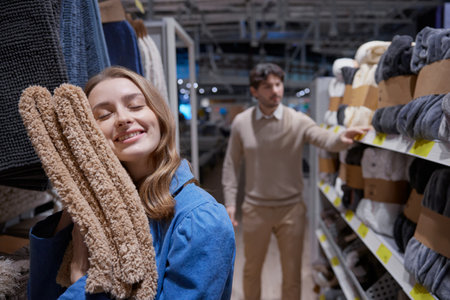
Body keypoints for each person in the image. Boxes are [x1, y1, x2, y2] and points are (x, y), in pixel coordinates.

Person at [27, 66, 236, 299]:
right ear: (88, 135)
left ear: (159, 114)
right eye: (104, 115)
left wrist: (80, 277)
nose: (124, 119)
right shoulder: (90, 214)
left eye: (136, 105)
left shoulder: (200, 219)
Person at [221, 63, 368, 300]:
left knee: (292, 274)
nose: (275, 90)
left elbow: (325, 139)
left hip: (291, 211)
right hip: (255, 210)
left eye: (278, 84)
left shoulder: (297, 120)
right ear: (254, 91)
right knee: (251, 270)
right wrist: (230, 203)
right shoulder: (241, 123)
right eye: (267, 86)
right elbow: (230, 164)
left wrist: (341, 138)